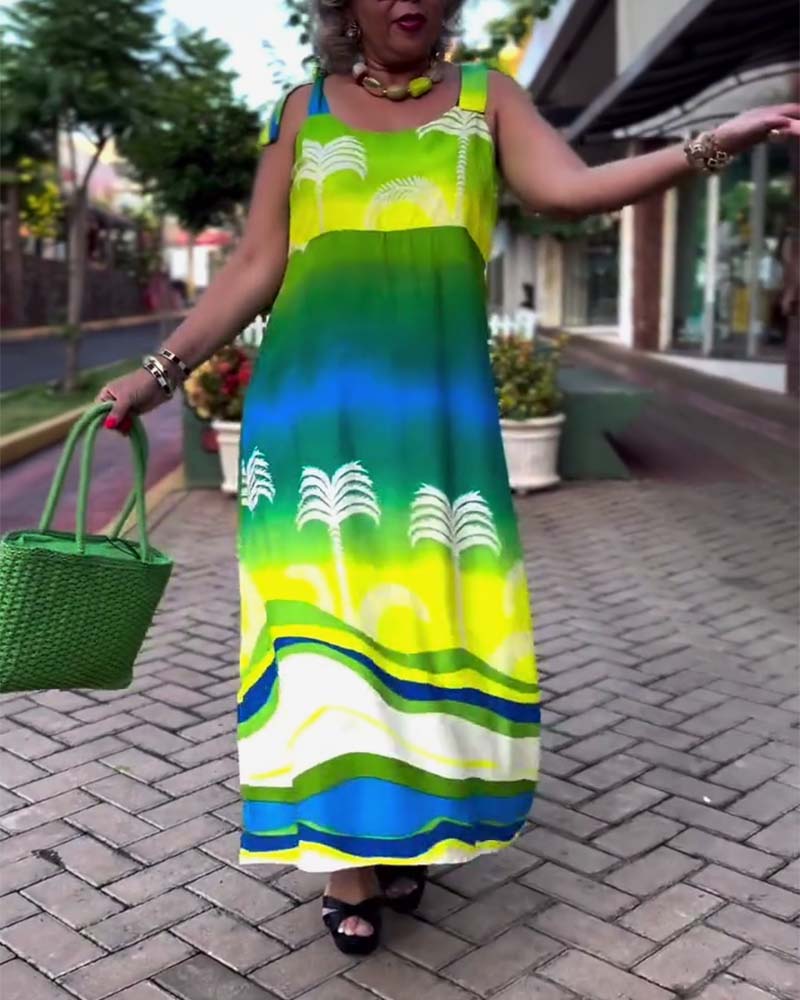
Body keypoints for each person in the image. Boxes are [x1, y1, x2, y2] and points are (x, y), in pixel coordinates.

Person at [98, 0, 800, 955]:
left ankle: (408, 824)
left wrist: (713, 143)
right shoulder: (303, 109)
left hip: (437, 421)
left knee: (427, 623)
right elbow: (256, 264)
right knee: (325, 637)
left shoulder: (488, 98)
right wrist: (160, 373)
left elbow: (571, 192)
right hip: (312, 415)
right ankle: (346, 861)